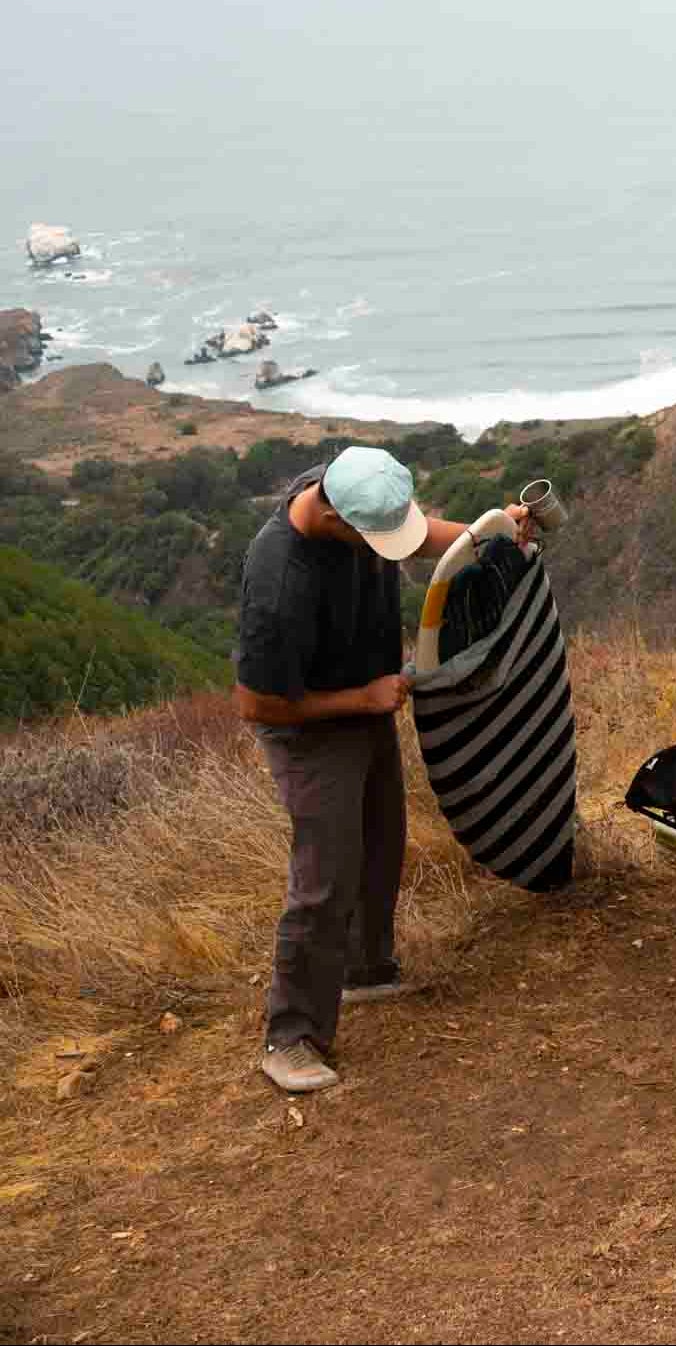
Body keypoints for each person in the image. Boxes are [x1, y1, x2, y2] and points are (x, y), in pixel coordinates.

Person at [235, 445, 532, 1094]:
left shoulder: (352, 490)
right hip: (308, 725)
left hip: (364, 699)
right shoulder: (279, 582)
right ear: (342, 521)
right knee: (324, 874)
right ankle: (292, 1036)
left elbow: (422, 536)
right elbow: (258, 702)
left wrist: (489, 535)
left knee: (380, 841)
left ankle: (366, 971)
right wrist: (363, 698)